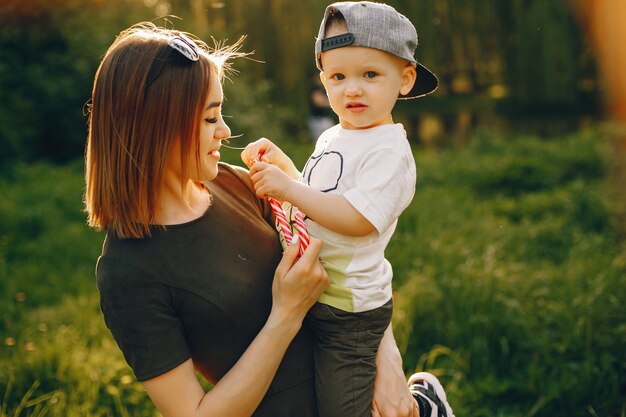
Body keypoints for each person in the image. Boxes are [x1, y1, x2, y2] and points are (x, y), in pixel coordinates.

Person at [84, 21, 429, 417]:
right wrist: (286, 314)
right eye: (211, 119)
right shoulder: (128, 271)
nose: (226, 131)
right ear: (156, 126)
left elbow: (348, 258)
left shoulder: (239, 184)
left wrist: (386, 364)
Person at [241, 2, 455, 417]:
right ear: (323, 81)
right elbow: (321, 196)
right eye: (338, 77)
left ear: (405, 80)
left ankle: (426, 408)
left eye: (370, 75)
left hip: (350, 314)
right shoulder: (337, 135)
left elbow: (356, 220)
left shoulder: (389, 152)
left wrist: (288, 188)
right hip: (316, 291)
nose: (352, 89)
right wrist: (285, 168)